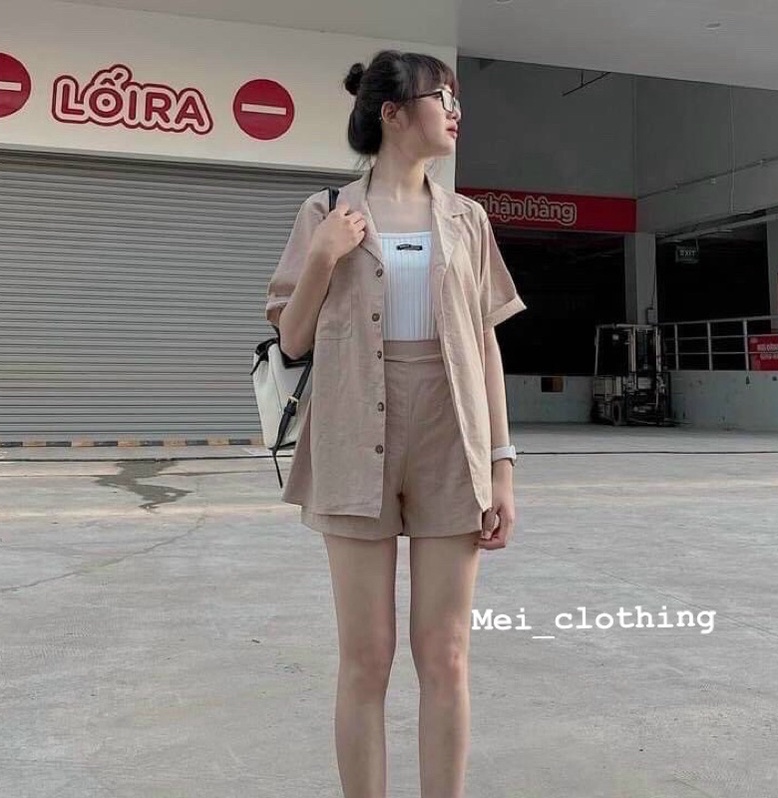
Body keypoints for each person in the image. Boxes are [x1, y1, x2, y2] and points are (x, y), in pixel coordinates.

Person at [265, 49, 527, 798]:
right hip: (352, 438)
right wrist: (323, 256)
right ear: (392, 113)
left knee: (445, 654)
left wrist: (502, 464)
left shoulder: (468, 219)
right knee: (366, 657)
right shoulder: (324, 213)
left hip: (452, 437)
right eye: (442, 97)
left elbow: (485, 345)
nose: (455, 111)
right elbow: (293, 339)